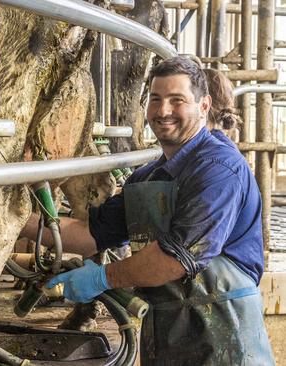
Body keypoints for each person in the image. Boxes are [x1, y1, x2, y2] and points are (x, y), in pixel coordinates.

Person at [42, 57, 274, 365]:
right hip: (167, 339)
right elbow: (91, 234)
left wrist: (103, 278)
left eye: (177, 100)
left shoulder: (219, 168)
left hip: (226, 343)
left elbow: (176, 259)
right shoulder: (148, 177)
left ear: (203, 106)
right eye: (156, 100)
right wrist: (13, 226)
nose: (163, 111)